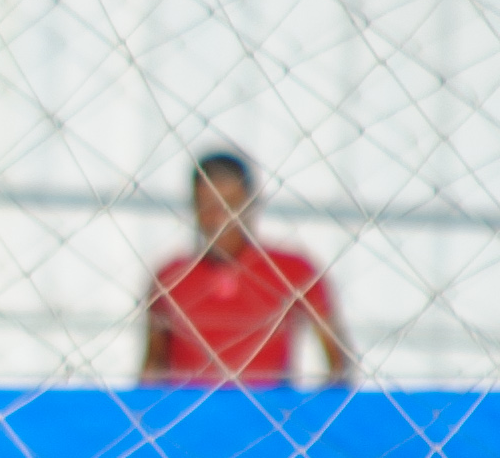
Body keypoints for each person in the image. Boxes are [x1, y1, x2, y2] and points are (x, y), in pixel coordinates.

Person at [143, 150, 353, 386]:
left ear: (250, 205)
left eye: (229, 206)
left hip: (269, 417)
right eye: (207, 206)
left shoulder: (292, 270)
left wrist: (310, 415)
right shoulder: (170, 276)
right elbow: (152, 368)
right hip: (188, 417)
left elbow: (338, 362)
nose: (217, 220)